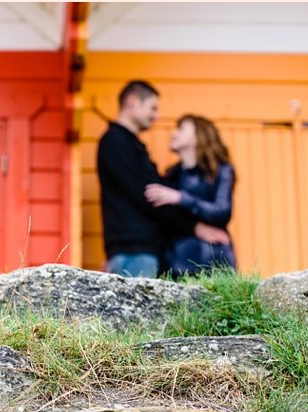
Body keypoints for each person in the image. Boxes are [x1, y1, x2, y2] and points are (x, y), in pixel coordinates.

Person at [97, 80, 230, 278]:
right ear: (133, 102)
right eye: (152, 108)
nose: (156, 116)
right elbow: (146, 196)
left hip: (150, 252)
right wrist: (194, 227)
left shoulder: (131, 145)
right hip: (135, 250)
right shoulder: (116, 142)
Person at [144, 115, 237, 278]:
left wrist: (182, 198)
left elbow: (222, 211)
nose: (173, 133)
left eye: (181, 128)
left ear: (199, 135)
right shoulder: (171, 176)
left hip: (213, 259)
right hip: (175, 263)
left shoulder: (221, 170)